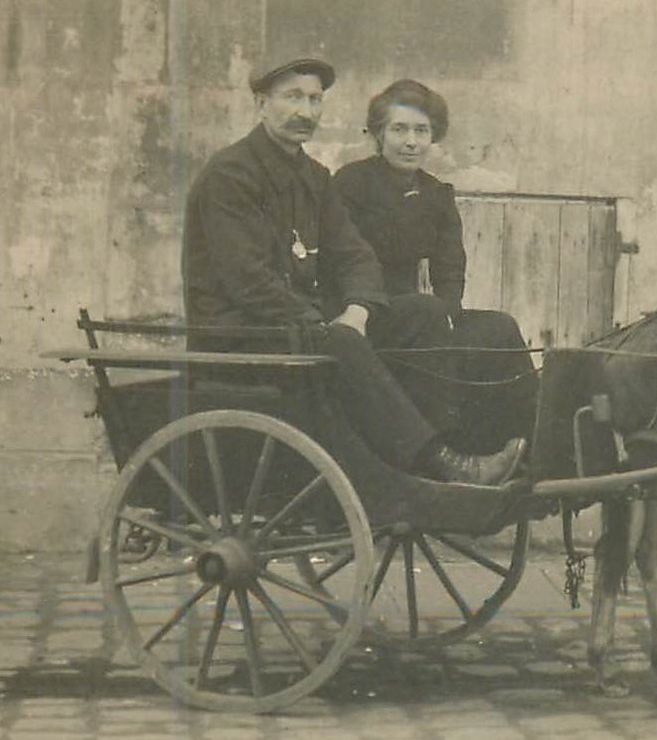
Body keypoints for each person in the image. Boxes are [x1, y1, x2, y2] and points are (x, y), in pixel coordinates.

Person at [181, 55, 525, 485]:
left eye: (314, 99)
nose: (305, 112)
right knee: (342, 342)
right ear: (261, 103)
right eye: (291, 98)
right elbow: (247, 280)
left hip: (300, 329)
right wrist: (326, 324)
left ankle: (446, 454)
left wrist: (359, 309)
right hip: (245, 335)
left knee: (422, 312)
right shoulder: (231, 175)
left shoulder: (313, 177)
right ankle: (438, 461)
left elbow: (355, 255)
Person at [332, 80, 537, 454]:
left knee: (498, 327)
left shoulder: (437, 194)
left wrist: (451, 314)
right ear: (379, 134)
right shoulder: (351, 184)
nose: (411, 141)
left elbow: (450, 267)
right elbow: (344, 256)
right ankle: (445, 447)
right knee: (424, 311)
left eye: (421, 131)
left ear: (433, 137)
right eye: (399, 129)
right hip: (366, 313)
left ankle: (521, 443)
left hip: (420, 317)